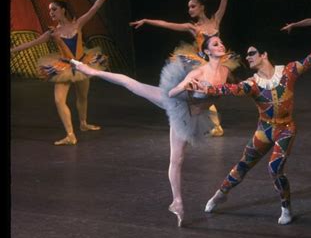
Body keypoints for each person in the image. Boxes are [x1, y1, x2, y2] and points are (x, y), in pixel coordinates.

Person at [190, 25, 311, 225]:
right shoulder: (252, 83)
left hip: (285, 130)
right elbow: (232, 89)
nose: (248, 57)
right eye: (247, 55)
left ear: (264, 54)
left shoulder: (288, 71)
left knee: (274, 168)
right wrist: (210, 88)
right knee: (243, 164)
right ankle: (220, 194)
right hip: (264, 130)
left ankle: (286, 208)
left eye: (252, 53)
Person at [71, 34, 233, 227]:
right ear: (207, 51)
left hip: (195, 115)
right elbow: (172, 93)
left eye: (221, 42)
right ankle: (177, 201)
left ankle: (176, 202)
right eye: (216, 44)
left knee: (179, 158)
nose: (221, 45)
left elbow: (235, 88)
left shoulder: (225, 71)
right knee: (133, 86)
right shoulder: (198, 73)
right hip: (178, 106)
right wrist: (186, 86)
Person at [129, 0, 246, 137]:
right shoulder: (192, 27)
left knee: (213, 91)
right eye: (189, 7)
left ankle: (213, 123)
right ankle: (214, 124)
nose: (189, 10)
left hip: (217, 61)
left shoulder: (215, 21)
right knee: (206, 91)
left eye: (192, 6)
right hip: (202, 63)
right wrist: (146, 20)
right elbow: (166, 24)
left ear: (201, 7)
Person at [10, 0, 114, 145]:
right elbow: (31, 43)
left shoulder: (77, 23)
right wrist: (12, 49)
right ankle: (70, 135)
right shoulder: (52, 33)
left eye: (54, 9)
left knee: (83, 96)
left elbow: (95, 6)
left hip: (82, 63)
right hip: (64, 68)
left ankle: (83, 124)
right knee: (59, 100)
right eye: (50, 10)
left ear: (63, 10)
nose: (51, 13)